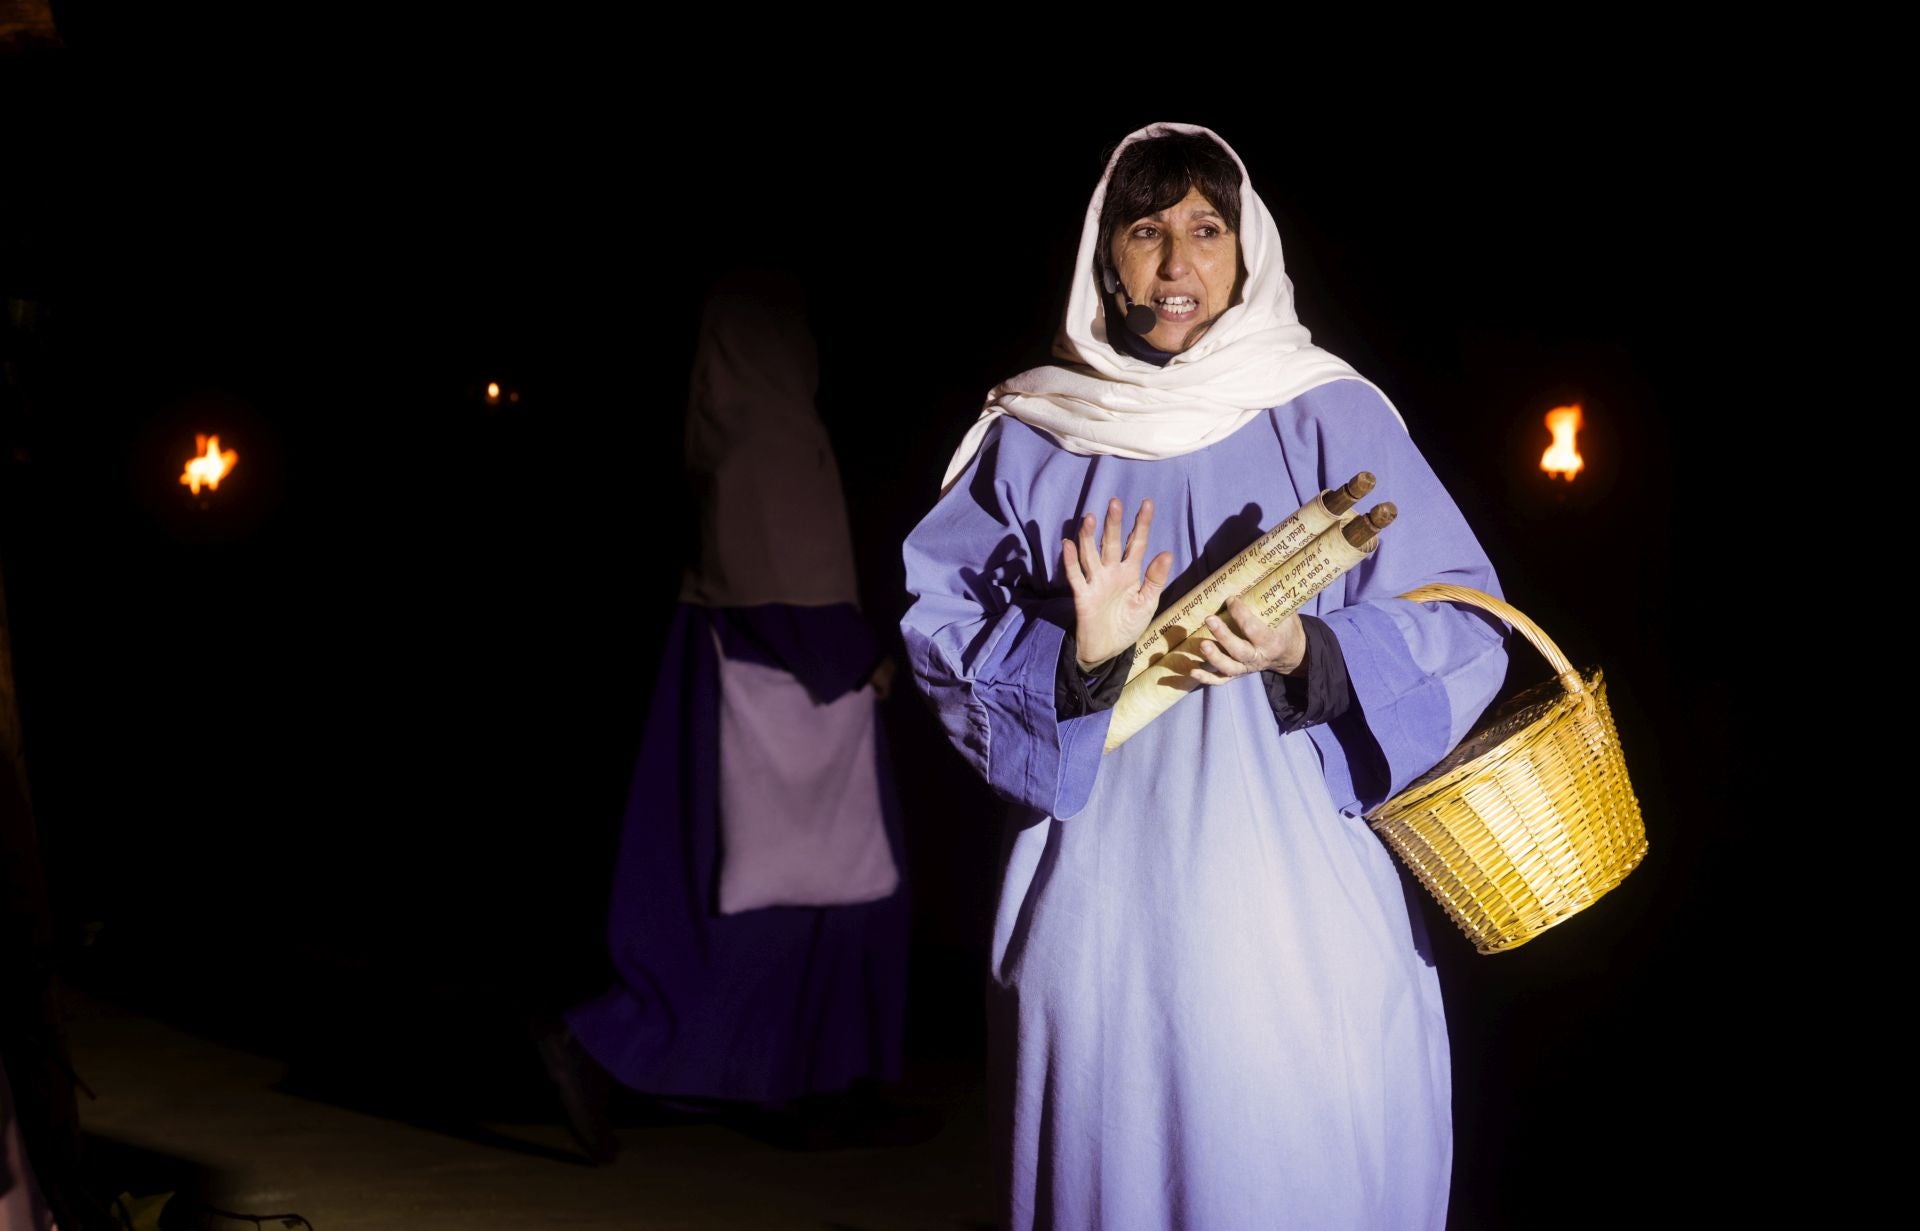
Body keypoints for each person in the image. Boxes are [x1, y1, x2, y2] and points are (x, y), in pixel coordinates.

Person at [901, 123, 1510, 1229]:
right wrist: (1071, 657)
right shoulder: (1036, 432)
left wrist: (1309, 652)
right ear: (1106, 257)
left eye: (1204, 229)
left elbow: (1464, 619)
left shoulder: (1328, 410)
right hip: (1096, 914)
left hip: (1295, 908)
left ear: (1247, 248)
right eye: (1145, 232)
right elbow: (941, 624)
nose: (1177, 266)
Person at [540, 269, 911, 1163]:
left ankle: (793, 1087)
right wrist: (860, 657)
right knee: (786, 910)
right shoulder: (767, 435)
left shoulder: (742, 424)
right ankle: (603, 1044)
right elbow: (777, 585)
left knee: (795, 912)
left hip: (767, 699)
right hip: (782, 707)